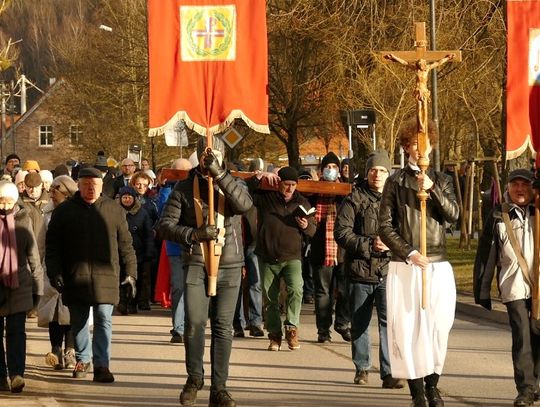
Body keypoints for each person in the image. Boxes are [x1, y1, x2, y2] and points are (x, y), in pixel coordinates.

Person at [158, 136, 252, 407]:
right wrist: (194, 234)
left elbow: (244, 206)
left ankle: (219, 388)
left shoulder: (235, 182)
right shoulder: (183, 188)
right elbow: (164, 226)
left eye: (216, 154)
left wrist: (220, 175)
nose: (209, 159)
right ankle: (194, 378)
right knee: (195, 323)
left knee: (224, 327)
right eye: (206, 155)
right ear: (198, 156)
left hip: (230, 263)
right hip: (197, 263)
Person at [378, 119, 459, 407]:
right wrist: (409, 252)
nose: (420, 149)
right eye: (414, 144)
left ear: (432, 146)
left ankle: (433, 383)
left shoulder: (444, 179)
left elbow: (453, 215)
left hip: (438, 264)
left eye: (424, 144)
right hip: (408, 265)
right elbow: (385, 226)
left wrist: (433, 188)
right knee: (411, 328)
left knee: (438, 326)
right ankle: (417, 393)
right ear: (406, 147)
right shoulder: (395, 181)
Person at [45, 167, 137, 383]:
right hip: (75, 275)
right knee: (79, 321)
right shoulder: (64, 212)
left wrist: (131, 272)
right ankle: (82, 359)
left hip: (107, 275)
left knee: (104, 319)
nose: (90, 189)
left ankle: (102, 365)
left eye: (95, 185)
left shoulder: (114, 210)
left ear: (101, 186)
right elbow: (53, 247)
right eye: (86, 184)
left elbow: (126, 244)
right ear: (78, 185)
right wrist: (54, 271)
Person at [334, 150, 405, 389]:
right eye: (373, 170)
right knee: (360, 322)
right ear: (367, 173)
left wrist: (392, 244)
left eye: (382, 170)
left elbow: (407, 231)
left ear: (389, 173)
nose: (377, 174)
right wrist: (368, 244)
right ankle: (362, 368)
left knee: (389, 323)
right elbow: (341, 233)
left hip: (389, 270)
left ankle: (389, 372)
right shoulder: (353, 199)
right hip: (360, 270)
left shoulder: (397, 200)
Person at [474, 169, 539, 407]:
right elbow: (485, 255)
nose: (520, 189)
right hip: (514, 287)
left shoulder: (539, 211)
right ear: (508, 188)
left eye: (525, 185)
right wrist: (482, 289)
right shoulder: (498, 216)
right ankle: (525, 388)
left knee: (537, 334)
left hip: (539, 288)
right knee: (522, 336)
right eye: (515, 185)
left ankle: (535, 383)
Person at [248, 166, 316, 352]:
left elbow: (313, 229)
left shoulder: (302, 202)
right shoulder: (266, 198)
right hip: (268, 256)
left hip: (292, 257)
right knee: (270, 298)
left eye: (293, 185)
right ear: (279, 183)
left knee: (297, 290)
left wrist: (305, 226)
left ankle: (292, 328)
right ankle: (274, 335)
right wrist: (258, 177)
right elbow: (247, 192)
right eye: (287, 184)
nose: (290, 188)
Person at [0, 181, 43, 393]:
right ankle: (0, 375)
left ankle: (17, 374)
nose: (5, 204)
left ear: (15, 199)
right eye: (1, 200)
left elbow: (33, 258)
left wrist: (38, 290)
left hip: (19, 286)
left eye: (8, 200)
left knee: (16, 332)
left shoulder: (23, 221)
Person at [309, 152, 351, 343]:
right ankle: (323, 330)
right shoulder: (314, 191)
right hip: (320, 248)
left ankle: (342, 322)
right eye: (328, 167)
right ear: (321, 170)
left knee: (344, 290)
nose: (331, 170)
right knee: (323, 291)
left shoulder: (346, 190)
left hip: (343, 249)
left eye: (334, 167)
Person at [39, 175, 78, 371]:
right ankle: (55, 350)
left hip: (72, 268)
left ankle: (70, 350)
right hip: (51, 268)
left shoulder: (78, 213)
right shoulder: (47, 214)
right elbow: (40, 244)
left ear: (67, 193)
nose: (53, 195)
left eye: (57, 191)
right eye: (52, 191)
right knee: (54, 312)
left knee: (70, 311)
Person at [157, 158, 193, 343]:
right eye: (178, 172)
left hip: (195, 245)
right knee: (179, 286)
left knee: (194, 287)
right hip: (175, 247)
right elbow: (162, 212)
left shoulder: (195, 186)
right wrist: (164, 187)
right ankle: (179, 328)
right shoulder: (168, 190)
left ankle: (193, 325)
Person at [116, 186, 154, 315]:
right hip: (118, 252)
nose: (126, 200)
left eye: (129, 197)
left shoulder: (142, 214)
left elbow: (148, 234)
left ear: (134, 198)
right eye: (124, 197)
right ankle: (122, 302)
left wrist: (149, 251)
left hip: (138, 253)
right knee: (120, 278)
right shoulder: (115, 212)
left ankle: (132, 303)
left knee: (134, 280)